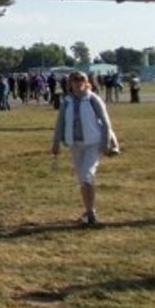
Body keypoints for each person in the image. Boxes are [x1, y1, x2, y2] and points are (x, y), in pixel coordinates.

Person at [51, 71, 117, 226]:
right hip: (75, 144)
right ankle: (89, 211)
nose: (78, 82)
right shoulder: (66, 101)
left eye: (81, 80)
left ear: (87, 82)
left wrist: (105, 142)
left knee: (86, 175)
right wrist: (55, 142)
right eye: (74, 80)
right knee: (83, 179)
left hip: (93, 144)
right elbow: (60, 123)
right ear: (70, 84)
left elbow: (106, 122)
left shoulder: (93, 99)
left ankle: (91, 212)